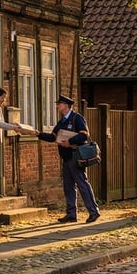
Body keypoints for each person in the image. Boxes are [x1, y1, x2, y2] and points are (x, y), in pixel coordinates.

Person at [29, 95, 101, 223]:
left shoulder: (76, 118)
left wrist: (70, 141)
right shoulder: (61, 121)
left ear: (66, 106)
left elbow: (84, 135)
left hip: (75, 155)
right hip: (66, 157)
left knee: (82, 184)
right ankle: (71, 214)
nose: (57, 106)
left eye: (59, 104)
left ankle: (93, 211)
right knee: (68, 186)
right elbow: (53, 137)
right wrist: (39, 134)